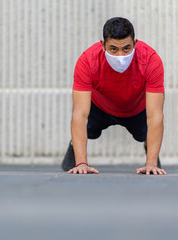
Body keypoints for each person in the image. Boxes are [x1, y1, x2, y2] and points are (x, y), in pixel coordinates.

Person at [61, 17, 167, 175]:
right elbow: (80, 114)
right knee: (84, 127)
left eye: (126, 48)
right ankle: (75, 147)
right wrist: (81, 163)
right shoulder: (87, 60)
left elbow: (155, 115)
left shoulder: (150, 60)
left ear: (135, 43)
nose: (120, 55)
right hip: (100, 106)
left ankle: (151, 153)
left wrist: (151, 163)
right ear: (102, 45)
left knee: (147, 132)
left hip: (135, 108)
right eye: (113, 49)